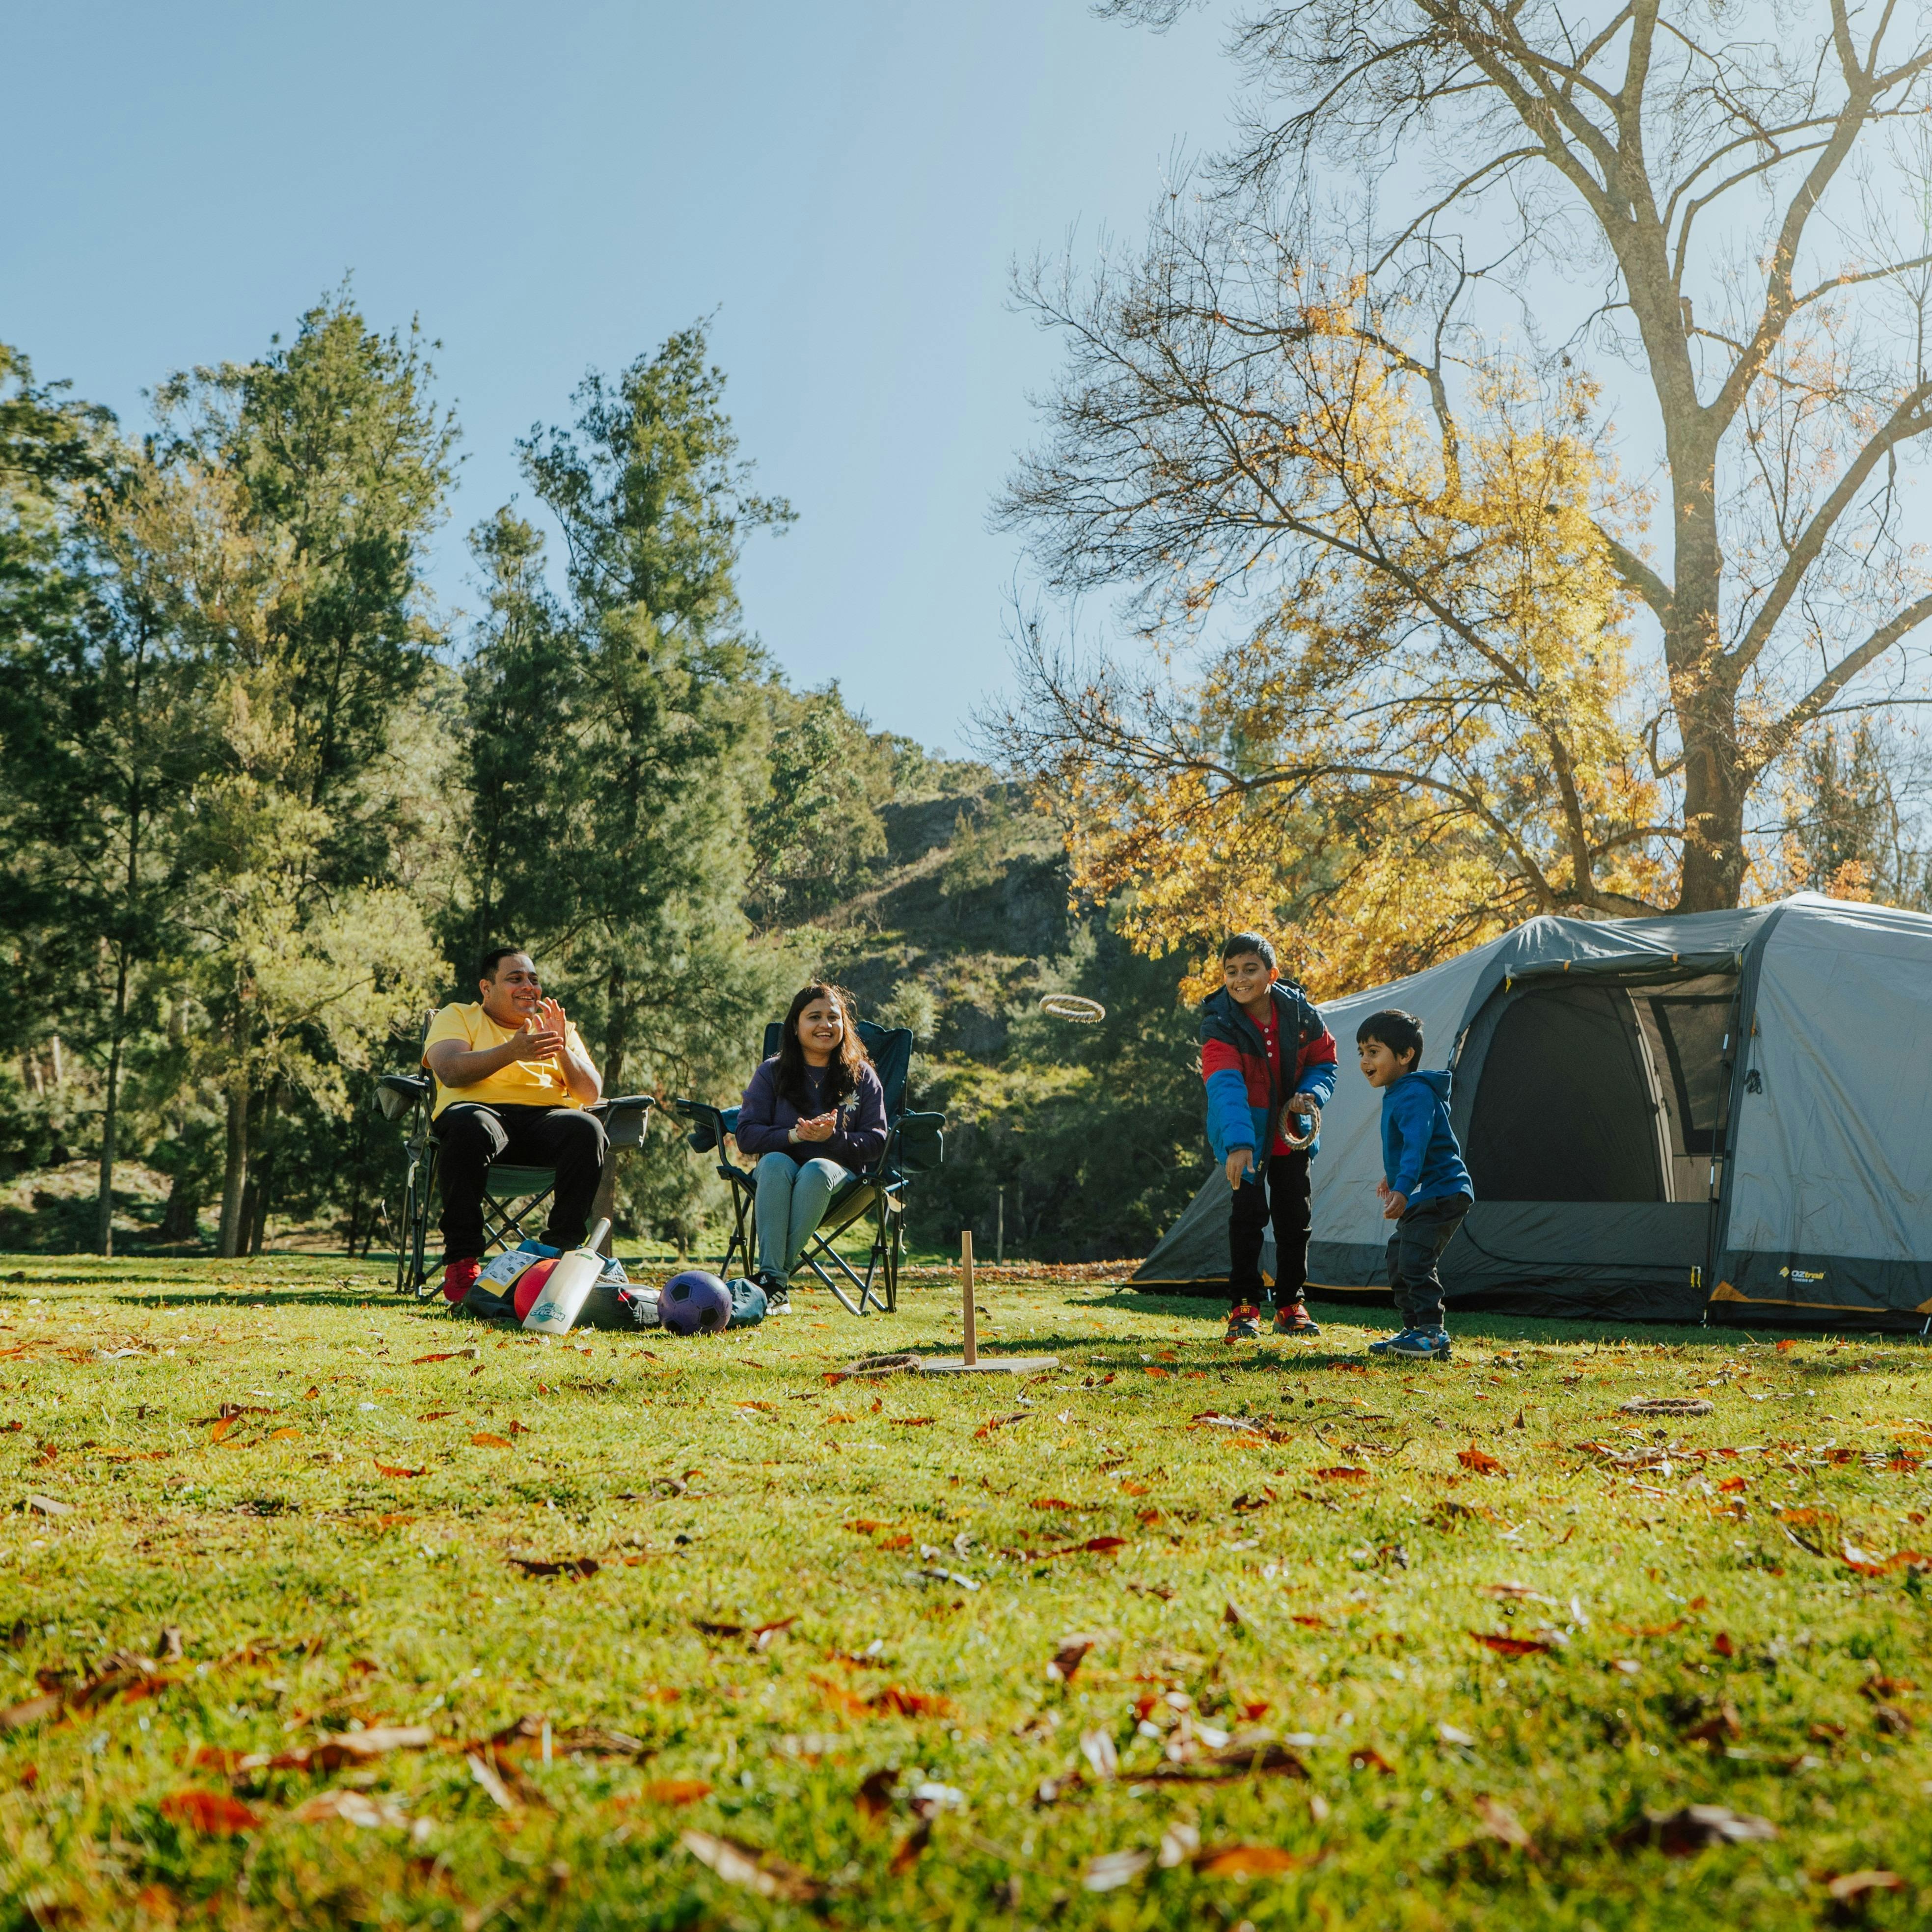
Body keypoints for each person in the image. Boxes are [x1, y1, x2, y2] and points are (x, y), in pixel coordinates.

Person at [422, 947, 605, 1304]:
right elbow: (450, 1070)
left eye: (534, 980)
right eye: (515, 978)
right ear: (486, 988)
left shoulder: (558, 1027)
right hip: (480, 1117)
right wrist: (512, 1052)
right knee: (469, 1123)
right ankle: (462, 1262)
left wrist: (561, 1047)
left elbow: (590, 1092)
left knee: (587, 1128)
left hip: (546, 1122)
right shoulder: (458, 1015)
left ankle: (559, 1257)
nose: (529, 987)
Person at [1200, 932, 1339, 1343]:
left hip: (1289, 1131)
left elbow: (1324, 1062)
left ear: (1271, 974)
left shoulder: (1302, 1015)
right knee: (1247, 1217)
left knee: (1294, 1217)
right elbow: (1225, 1086)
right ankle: (1244, 1306)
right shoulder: (1220, 1022)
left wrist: (1310, 1095)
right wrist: (1239, 1144)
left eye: (1249, 969)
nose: (1239, 979)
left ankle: (1290, 1304)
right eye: (1231, 971)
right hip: (1243, 1134)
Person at [734, 982, 887, 1315]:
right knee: (773, 1163)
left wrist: (831, 1139)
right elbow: (746, 1135)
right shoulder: (771, 1072)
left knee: (816, 1169)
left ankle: (770, 1281)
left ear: (844, 1025)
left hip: (841, 1183)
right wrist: (795, 1136)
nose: (825, 1025)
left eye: (833, 1017)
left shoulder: (863, 1076)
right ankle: (775, 1287)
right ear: (795, 1025)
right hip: (779, 1175)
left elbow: (877, 1142)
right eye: (814, 1017)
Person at [1356, 1007, 1474, 1361]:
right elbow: (1410, 1146)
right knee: (1398, 1257)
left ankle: (1432, 1333)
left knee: (1414, 1260)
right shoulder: (1399, 1092)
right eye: (1361, 1052)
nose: (1364, 1061)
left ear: (1405, 1055)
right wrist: (1392, 1178)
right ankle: (1414, 1331)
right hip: (1428, 1191)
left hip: (1443, 1190)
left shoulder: (1415, 1093)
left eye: (1373, 1051)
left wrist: (1403, 1187)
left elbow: (1417, 1144)